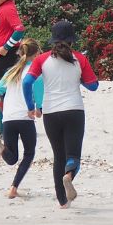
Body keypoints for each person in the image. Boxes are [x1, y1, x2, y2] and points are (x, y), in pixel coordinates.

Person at [23, 20, 99, 208]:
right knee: (73, 155)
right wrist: (79, 79)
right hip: (74, 110)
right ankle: (69, 175)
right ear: (72, 40)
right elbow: (94, 86)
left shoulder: (42, 59)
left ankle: (63, 202)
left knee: (59, 156)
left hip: (50, 113)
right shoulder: (80, 59)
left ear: (53, 40)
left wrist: (31, 106)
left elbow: (26, 82)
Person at [0, 39, 44, 198]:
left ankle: (1, 149)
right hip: (24, 117)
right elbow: (39, 95)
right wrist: (38, 109)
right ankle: (14, 187)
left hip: (8, 118)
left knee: (12, 158)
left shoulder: (11, 71)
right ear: (36, 54)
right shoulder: (36, 73)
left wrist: (2, 110)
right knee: (29, 153)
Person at [0, 0, 26, 143]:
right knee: (3, 92)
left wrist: (6, 46)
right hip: (4, 57)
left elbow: (19, 30)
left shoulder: (8, 9)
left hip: (8, 56)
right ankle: (2, 128)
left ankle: (5, 129)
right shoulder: (1, 9)